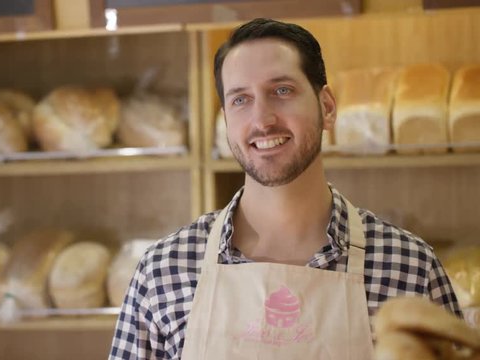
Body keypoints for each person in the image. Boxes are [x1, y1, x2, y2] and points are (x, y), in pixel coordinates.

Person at [109, 18, 460, 359]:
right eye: (241, 99)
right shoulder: (162, 272)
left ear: (327, 107)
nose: (262, 120)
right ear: (227, 120)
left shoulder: (411, 268)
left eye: (282, 91)